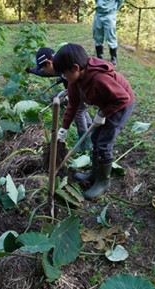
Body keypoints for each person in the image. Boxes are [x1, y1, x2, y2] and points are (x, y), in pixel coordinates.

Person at [53, 43, 135, 200]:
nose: (63, 77)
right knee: (95, 138)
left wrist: (103, 113)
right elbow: (73, 106)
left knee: (103, 143)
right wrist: (63, 129)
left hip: (121, 105)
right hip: (108, 103)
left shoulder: (99, 78)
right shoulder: (74, 82)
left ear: (75, 68)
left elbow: (122, 98)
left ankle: (103, 182)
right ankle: (94, 174)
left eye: (64, 73)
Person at [26, 47, 93, 151]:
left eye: (44, 68)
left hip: (80, 93)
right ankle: (90, 129)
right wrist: (32, 70)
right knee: (81, 110)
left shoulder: (62, 67)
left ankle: (85, 141)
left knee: (78, 112)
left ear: (48, 63)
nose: (45, 71)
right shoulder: (60, 64)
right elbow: (46, 73)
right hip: (77, 92)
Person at [93, 0, 125, 65]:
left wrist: (114, 9)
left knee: (110, 36)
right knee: (97, 35)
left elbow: (120, 1)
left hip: (109, 14)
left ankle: (113, 57)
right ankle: (99, 56)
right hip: (98, 13)